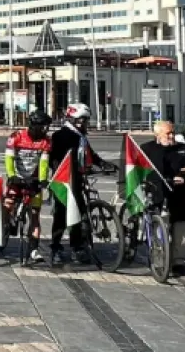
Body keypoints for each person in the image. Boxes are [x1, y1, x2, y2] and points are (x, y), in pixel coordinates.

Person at [48, 103, 117, 265]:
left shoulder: (81, 136)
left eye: (86, 121)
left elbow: (90, 154)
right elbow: (54, 159)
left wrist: (103, 164)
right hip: (64, 182)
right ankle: (56, 247)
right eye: (81, 121)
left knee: (79, 214)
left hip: (78, 181)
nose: (85, 124)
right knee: (61, 215)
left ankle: (77, 247)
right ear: (72, 120)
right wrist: (62, 172)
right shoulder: (61, 136)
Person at [140, 121, 185, 275]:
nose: (171, 136)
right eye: (167, 133)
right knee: (159, 228)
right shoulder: (147, 149)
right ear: (157, 135)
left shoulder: (182, 149)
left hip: (179, 194)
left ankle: (180, 261)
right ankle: (159, 260)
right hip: (157, 193)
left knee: (180, 228)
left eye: (172, 132)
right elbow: (140, 170)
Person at [4, 110, 52, 262]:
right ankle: (8, 220)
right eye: (43, 127)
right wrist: (11, 176)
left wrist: (43, 180)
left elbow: (44, 163)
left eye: (47, 127)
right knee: (8, 203)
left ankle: (34, 249)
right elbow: (9, 158)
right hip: (17, 177)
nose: (46, 130)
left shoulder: (46, 141)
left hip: (34, 180)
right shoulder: (16, 137)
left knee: (35, 215)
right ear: (34, 126)